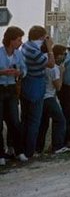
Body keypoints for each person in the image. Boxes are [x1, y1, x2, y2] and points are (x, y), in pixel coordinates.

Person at [20, 25, 55, 158]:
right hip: (36, 84)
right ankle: (30, 151)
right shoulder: (34, 52)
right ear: (41, 37)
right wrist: (50, 48)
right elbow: (51, 64)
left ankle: (21, 149)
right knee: (34, 120)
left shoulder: (26, 46)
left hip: (26, 82)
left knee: (25, 118)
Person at [36, 44, 70, 154]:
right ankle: (58, 146)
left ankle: (38, 148)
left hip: (41, 97)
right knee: (60, 120)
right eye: (63, 54)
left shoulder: (44, 64)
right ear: (57, 56)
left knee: (43, 124)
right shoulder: (55, 69)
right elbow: (58, 86)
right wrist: (61, 72)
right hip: (49, 97)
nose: (64, 56)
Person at [0, 26, 28, 165]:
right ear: (11, 40)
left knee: (15, 122)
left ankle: (18, 150)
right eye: (18, 39)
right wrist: (2, 72)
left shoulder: (18, 54)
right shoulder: (0, 53)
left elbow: (24, 69)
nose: (20, 42)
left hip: (11, 88)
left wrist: (20, 73)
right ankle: (1, 154)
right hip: (0, 87)